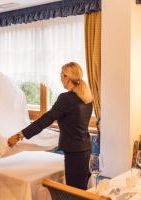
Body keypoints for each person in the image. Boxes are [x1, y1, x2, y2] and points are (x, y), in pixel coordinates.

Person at [7, 62, 93, 190]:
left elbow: (46, 119)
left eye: (61, 76)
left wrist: (20, 135)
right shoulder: (86, 98)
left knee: (74, 192)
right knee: (81, 190)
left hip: (75, 153)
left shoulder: (66, 98)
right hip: (85, 149)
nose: (60, 79)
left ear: (67, 78)